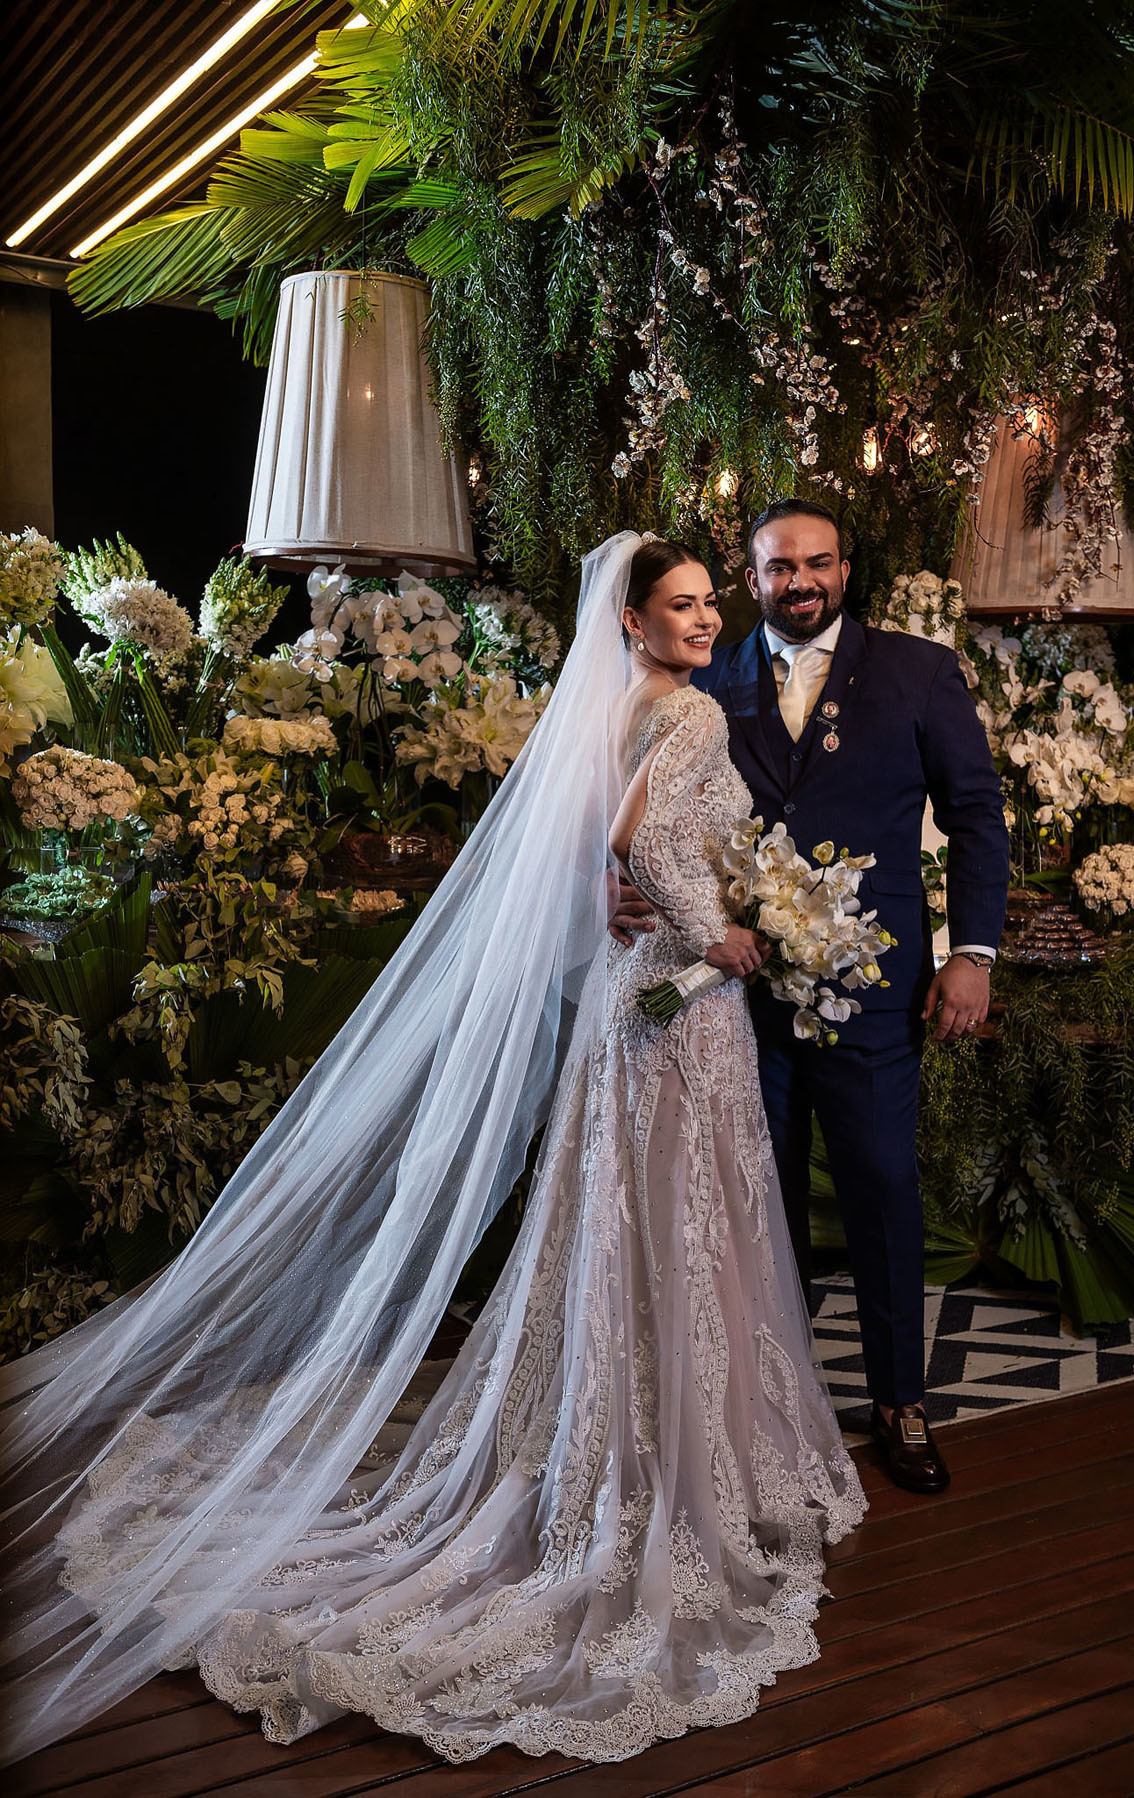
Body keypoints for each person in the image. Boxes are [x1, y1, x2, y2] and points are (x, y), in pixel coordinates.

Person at [0, 532, 864, 1767]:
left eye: (707, 603)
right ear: (627, 621)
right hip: (677, 1007)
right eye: (679, 606)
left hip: (627, 1005)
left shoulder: (615, 709)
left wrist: (676, 910)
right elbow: (630, 843)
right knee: (682, 1218)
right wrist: (722, 934)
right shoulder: (689, 721)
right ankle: (667, 1460)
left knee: (640, 1220)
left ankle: (626, 1432)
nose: (704, 620)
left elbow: (584, 853)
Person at [612, 501, 1010, 1495]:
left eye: (817, 562)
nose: (799, 580)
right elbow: (634, 803)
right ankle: (764, 1412)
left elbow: (973, 814)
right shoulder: (706, 675)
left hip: (872, 986)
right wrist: (608, 882)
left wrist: (971, 952)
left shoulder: (916, 671)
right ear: (752, 578)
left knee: (880, 1189)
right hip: (732, 996)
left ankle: (899, 1402)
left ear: (845, 567)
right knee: (756, 1202)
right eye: (777, 566)